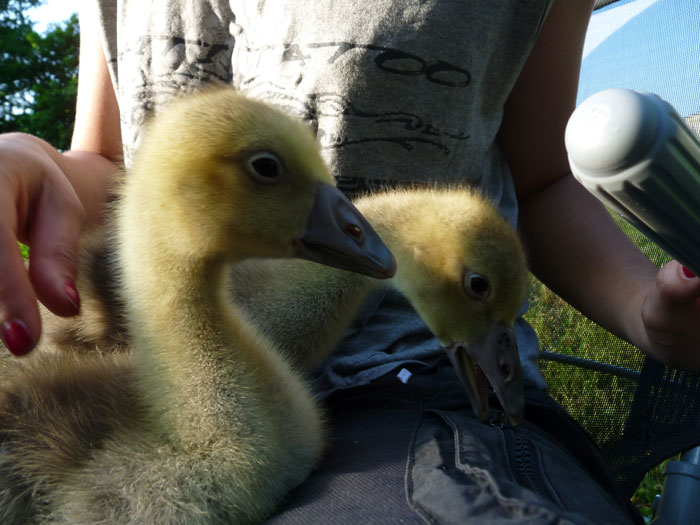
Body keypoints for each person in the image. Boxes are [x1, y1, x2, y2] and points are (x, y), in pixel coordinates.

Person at [1, 0, 699, 522]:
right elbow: (111, 166)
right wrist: (34, 160)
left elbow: (541, 173)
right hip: (147, 374)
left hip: (404, 393)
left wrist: (646, 309)